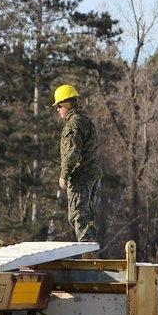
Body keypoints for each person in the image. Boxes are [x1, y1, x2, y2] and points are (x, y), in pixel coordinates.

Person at [53, 84, 101, 245]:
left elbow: (71, 152)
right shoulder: (85, 121)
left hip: (80, 175)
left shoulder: (73, 125)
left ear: (66, 104)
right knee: (87, 214)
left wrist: (64, 175)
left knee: (78, 215)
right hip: (92, 173)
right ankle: (91, 252)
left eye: (59, 106)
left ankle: (88, 256)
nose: (58, 110)